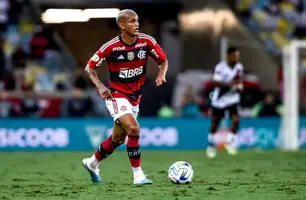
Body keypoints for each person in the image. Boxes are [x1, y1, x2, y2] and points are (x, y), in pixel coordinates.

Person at [82, 9, 168, 185]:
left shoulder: (147, 42)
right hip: (116, 95)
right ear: (122, 25)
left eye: (137, 21)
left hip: (135, 96)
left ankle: (92, 163)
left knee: (118, 138)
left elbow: (163, 60)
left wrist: (161, 74)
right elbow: (89, 68)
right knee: (134, 129)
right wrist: (100, 86)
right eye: (131, 21)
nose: (136, 24)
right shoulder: (110, 47)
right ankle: (138, 175)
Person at [207, 46, 244, 159]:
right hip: (220, 99)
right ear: (229, 56)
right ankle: (212, 145)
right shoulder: (220, 67)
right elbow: (216, 82)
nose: (237, 58)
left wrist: (239, 86)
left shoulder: (239, 67)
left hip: (232, 98)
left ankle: (230, 142)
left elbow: (239, 79)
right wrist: (230, 84)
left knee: (236, 120)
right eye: (235, 56)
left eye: (238, 56)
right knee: (215, 123)